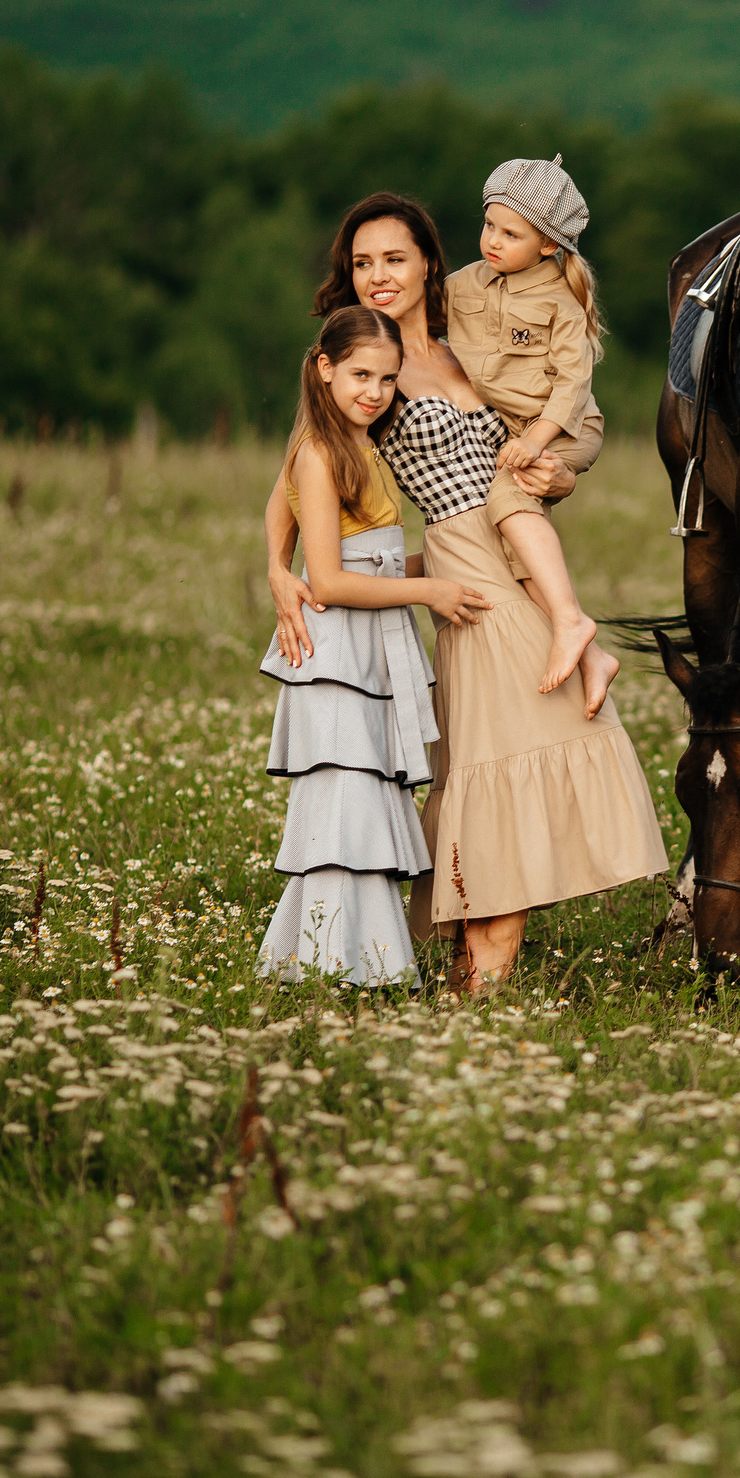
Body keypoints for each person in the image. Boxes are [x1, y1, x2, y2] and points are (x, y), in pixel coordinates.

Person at [266, 192, 668, 997]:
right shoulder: (363, 367)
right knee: (493, 780)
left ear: (428, 264)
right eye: (362, 263)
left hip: (513, 557)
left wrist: (559, 470)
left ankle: (468, 994)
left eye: (394, 259)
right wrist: (280, 568)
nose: (378, 277)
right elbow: (295, 473)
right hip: (467, 580)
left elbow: (553, 423)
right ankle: (475, 998)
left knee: (517, 763)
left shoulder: (464, 349)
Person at [257, 306, 485, 988]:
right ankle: (341, 960)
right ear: (323, 369)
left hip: (374, 642)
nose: (375, 391)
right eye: (360, 374)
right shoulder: (320, 450)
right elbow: (327, 579)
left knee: (366, 791)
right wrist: (428, 593)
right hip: (340, 649)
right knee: (343, 792)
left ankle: (341, 956)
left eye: (387, 378)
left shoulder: (363, 446)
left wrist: (443, 563)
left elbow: (354, 549)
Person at [442, 155, 616, 711]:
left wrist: (537, 441)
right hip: (511, 431)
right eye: (490, 224)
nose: (493, 240)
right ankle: (592, 656)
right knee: (515, 550)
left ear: (547, 245)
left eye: (511, 233)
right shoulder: (464, 285)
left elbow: (571, 385)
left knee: (510, 494)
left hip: (565, 427)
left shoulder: (561, 301)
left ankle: (569, 622)